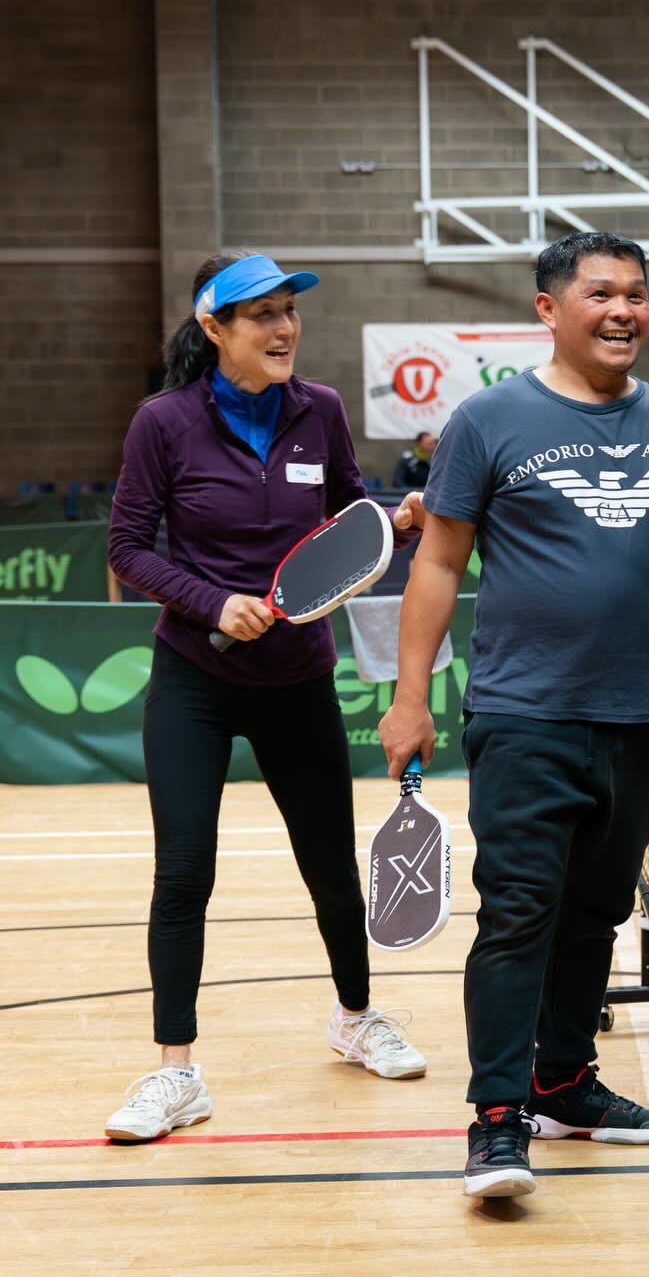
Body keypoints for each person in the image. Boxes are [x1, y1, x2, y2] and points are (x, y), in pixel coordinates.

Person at [377, 232, 649, 1200]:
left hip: (634, 714)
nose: (625, 311)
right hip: (523, 712)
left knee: (595, 913)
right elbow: (437, 561)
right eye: (602, 293)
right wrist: (408, 694)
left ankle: (563, 1083)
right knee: (519, 915)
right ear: (550, 309)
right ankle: (499, 1119)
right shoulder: (487, 420)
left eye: (637, 294)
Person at [105, 249, 429, 1143]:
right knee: (183, 873)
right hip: (195, 681)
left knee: (330, 864)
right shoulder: (162, 423)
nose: (284, 328)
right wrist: (213, 602)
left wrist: (397, 522)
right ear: (215, 329)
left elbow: (348, 524)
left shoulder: (318, 411)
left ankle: (356, 1018)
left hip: (297, 679)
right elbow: (129, 547)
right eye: (262, 316)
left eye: (290, 311)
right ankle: (177, 1075)